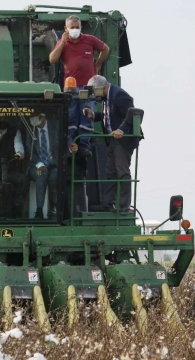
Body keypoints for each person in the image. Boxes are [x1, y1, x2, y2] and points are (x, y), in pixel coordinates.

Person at [49, 15, 110, 158]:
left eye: (77, 27)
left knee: (86, 116)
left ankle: (83, 146)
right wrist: (63, 42)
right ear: (66, 28)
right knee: (70, 116)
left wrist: (97, 64)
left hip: (88, 86)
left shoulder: (89, 39)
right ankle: (70, 145)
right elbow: (52, 59)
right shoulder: (62, 42)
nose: (75, 30)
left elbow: (105, 49)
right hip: (70, 88)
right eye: (72, 27)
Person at [83, 75, 142, 213]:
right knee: (110, 172)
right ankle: (108, 203)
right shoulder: (106, 97)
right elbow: (108, 115)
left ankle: (124, 206)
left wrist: (121, 130)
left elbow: (132, 114)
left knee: (122, 172)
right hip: (112, 140)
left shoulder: (119, 95)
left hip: (123, 139)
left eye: (94, 90)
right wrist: (94, 116)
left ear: (102, 88)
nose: (93, 94)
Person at [26, 113, 58, 219]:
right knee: (41, 174)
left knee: (54, 176)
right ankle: (39, 210)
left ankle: (53, 208)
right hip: (36, 165)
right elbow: (29, 151)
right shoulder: (30, 130)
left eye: (35, 117)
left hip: (54, 164)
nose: (32, 120)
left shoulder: (56, 126)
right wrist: (39, 164)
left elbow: (61, 146)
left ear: (43, 117)